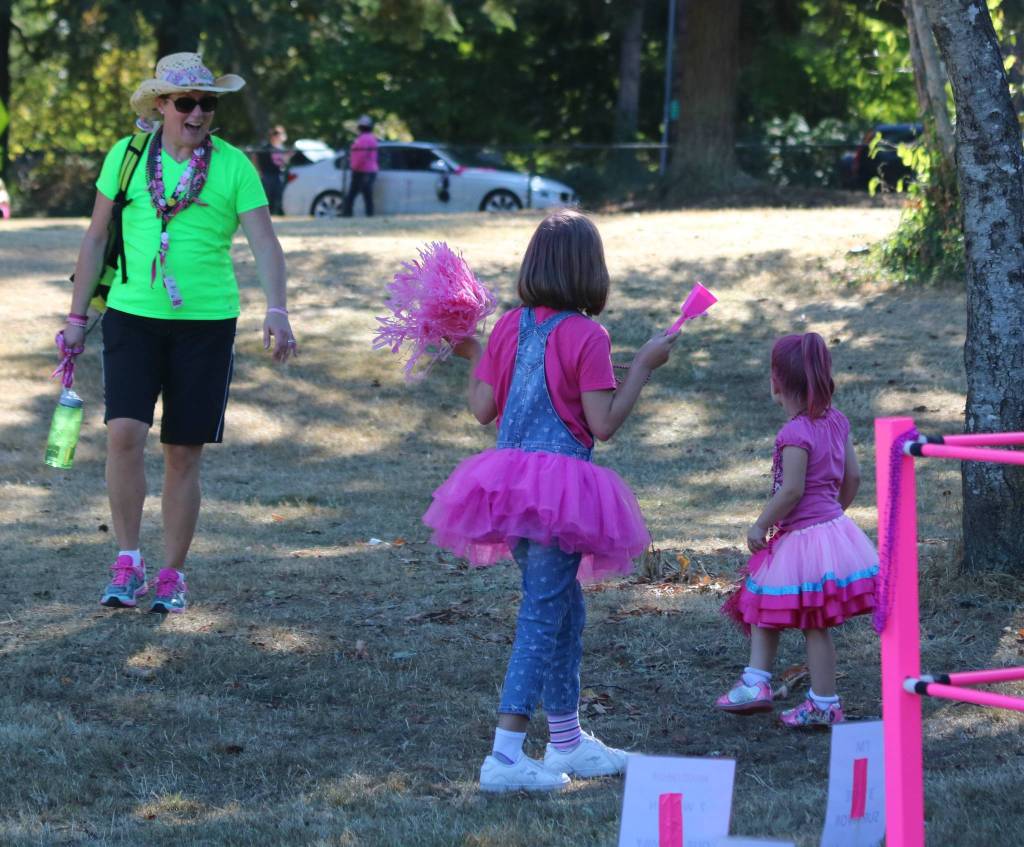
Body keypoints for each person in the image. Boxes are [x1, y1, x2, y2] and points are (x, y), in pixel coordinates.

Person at [423, 209, 680, 792]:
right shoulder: (589, 336)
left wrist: (474, 356)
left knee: (564, 608)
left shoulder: (509, 327)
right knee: (543, 612)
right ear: (591, 272)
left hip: (508, 488)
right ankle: (505, 754)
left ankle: (566, 741)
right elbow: (604, 423)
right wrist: (642, 364)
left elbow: (483, 410)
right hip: (563, 492)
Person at [61, 52, 298, 614]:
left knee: (182, 451)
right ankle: (128, 560)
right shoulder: (126, 157)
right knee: (123, 434)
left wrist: (278, 308)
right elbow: (96, 239)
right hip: (132, 317)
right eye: (186, 102)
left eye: (207, 103)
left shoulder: (235, 166)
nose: (198, 113)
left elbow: (265, 243)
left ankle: (172, 573)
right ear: (161, 105)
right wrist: (75, 319)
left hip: (206, 324)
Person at [717, 333, 878, 727]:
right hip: (832, 531)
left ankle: (786, 691)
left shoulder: (794, 434)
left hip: (803, 537)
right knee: (789, 613)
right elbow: (853, 476)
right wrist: (833, 516)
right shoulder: (837, 420)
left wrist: (761, 523)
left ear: (776, 382)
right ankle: (788, 691)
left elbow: (791, 490)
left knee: (773, 607)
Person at [341, 114, 378, 217]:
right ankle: (368, 214)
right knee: (365, 194)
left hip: (362, 171)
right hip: (369, 170)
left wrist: (354, 166)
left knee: (355, 194)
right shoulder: (371, 138)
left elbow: (361, 156)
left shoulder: (363, 139)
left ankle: (348, 213)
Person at [256, 125, 290, 215]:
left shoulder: (282, 148)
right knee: (267, 197)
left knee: (278, 197)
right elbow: (255, 157)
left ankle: (277, 213)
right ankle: (267, 214)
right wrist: (258, 171)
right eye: (275, 134)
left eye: (278, 134)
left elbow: (284, 162)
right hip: (267, 175)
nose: (277, 136)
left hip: (278, 174)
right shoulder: (265, 147)